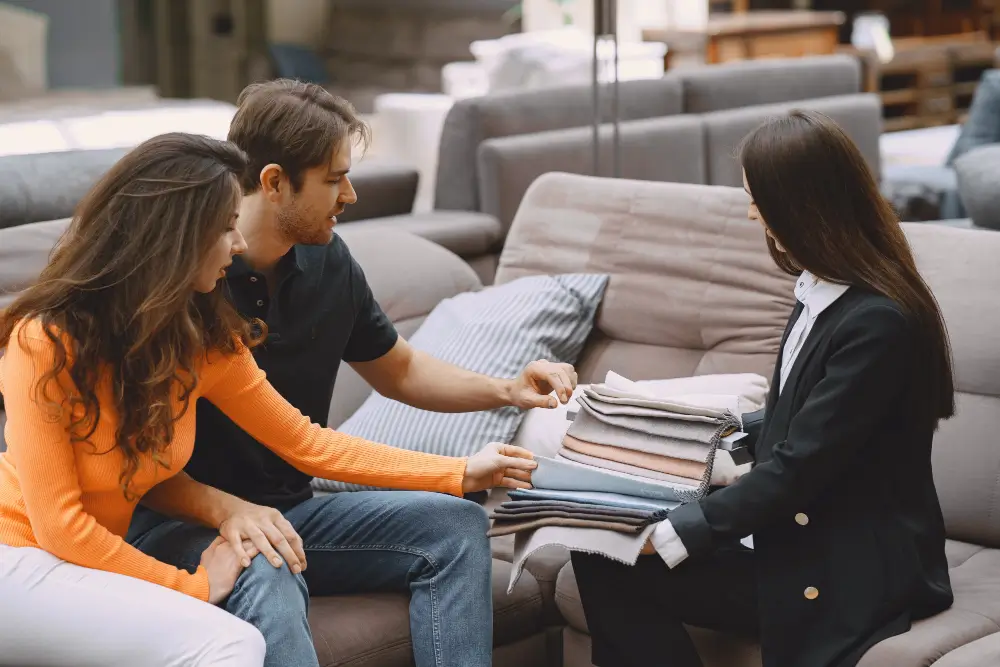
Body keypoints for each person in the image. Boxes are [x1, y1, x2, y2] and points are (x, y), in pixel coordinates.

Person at [0, 132, 537, 667]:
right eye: (226, 227)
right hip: (26, 558)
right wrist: (192, 583)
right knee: (259, 573)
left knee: (452, 523)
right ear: (175, 239)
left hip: (104, 557)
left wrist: (461, 471)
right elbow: (60, 526)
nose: (238, 246)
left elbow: (306, 442)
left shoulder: (205, 338)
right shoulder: (44, 342)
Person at [124, 79, 578, 667]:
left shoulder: (328, 260)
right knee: (269, 563)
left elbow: (400, 370)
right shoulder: (191, 280)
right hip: (176, 524)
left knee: (456, 527)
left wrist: (507, 390)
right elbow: (131, 463)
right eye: (334, 179)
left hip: (294, 510)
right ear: (273, 182)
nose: (352, 194)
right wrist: (228, 511)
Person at [571, 110, 955, 667]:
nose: (751, 212)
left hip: (852, 566)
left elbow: (801, 466)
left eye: (758, 198)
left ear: (800, 206)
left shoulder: (877, 321)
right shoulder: (819, 291)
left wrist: (677, 532)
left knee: (620, 555)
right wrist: (671, 438)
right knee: (600, 549)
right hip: (802, 534)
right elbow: (794, 419)